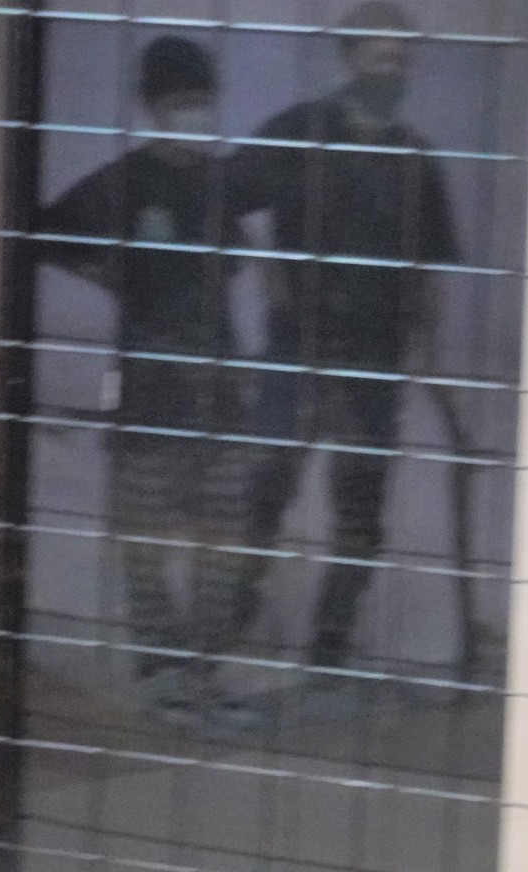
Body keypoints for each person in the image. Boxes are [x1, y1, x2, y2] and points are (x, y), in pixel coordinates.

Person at [227, 0, 460, 692]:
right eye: (382, 57)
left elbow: (428, 266)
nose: (394, 71)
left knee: (360, 505)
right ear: (350, 57)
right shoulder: (301, 132)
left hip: (374, 359)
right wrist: (264, 268)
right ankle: (234, 606)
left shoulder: (415, 158)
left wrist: (428, 350)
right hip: (299, 346)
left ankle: (331, 637)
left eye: (403, 60)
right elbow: (221, 195)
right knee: (267, 483)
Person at [37, 36, 258, 730]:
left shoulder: (220, 182)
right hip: (149, 386)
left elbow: (235, 267)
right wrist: (107, 276)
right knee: (142, 536)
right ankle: (161, 670)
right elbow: (40, 231)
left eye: (202, 101)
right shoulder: (124, 182)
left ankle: (203, 671)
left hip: (219, 385)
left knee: (225, 536)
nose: (194, 113)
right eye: (181, 102)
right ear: (154, 108)